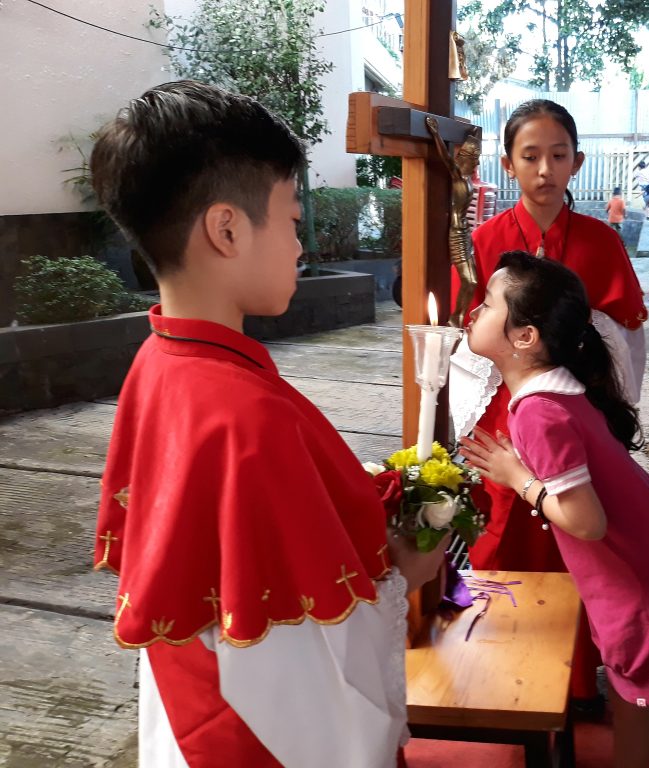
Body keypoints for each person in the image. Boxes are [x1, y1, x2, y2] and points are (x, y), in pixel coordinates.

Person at [90, 81, 444, 766]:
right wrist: (406, 573)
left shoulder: (157, 362)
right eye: (291, 217)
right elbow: (313, 678)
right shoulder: (249, 418)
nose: (300, 245)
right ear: (226, 229)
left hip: (191, 710)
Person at [459, 252, 649, 768]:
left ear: (525, 337)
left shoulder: (539, 412)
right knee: (632, 703)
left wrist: (519, 480)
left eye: (490, 303)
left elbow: (587, 521)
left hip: (648, 587)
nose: (475, 311)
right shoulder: (551, 395)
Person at [448, 98, 648, 705]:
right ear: (508, 164)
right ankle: (497, 663)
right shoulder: (484, 240)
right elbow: (470, 332)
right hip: (504, 417)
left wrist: (612, 416)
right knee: (504, 528)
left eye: (558, 155)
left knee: (581, 538)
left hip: (577, 417)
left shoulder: (600, 242)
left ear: (576, 162)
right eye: (529, 156)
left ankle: (576, 675)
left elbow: (628, 336)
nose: (544, 170)